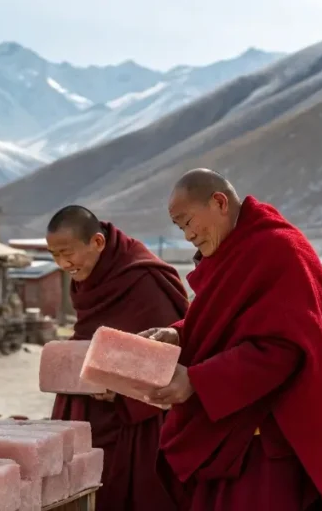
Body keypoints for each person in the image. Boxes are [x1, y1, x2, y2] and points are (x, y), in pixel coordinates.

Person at [141, 169, 322, 511]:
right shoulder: (234, 251)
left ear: (219, 202)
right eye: (180, 228)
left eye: (189, 222)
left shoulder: (278, 249)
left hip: (266, 445)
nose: (188, 235)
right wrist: (179, 333)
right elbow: (230, 322)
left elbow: (282, 350)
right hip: (231, 437)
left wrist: (196, 382)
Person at [46, 205, 188, 511]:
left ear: (97, 242)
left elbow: (168, 359)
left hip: (138, 421)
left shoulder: (142, 279)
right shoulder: (90, 273)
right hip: (90, 404)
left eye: (67, 252)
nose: (62, 263)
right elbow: (92, 333)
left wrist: (121, 387)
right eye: (54, 255)